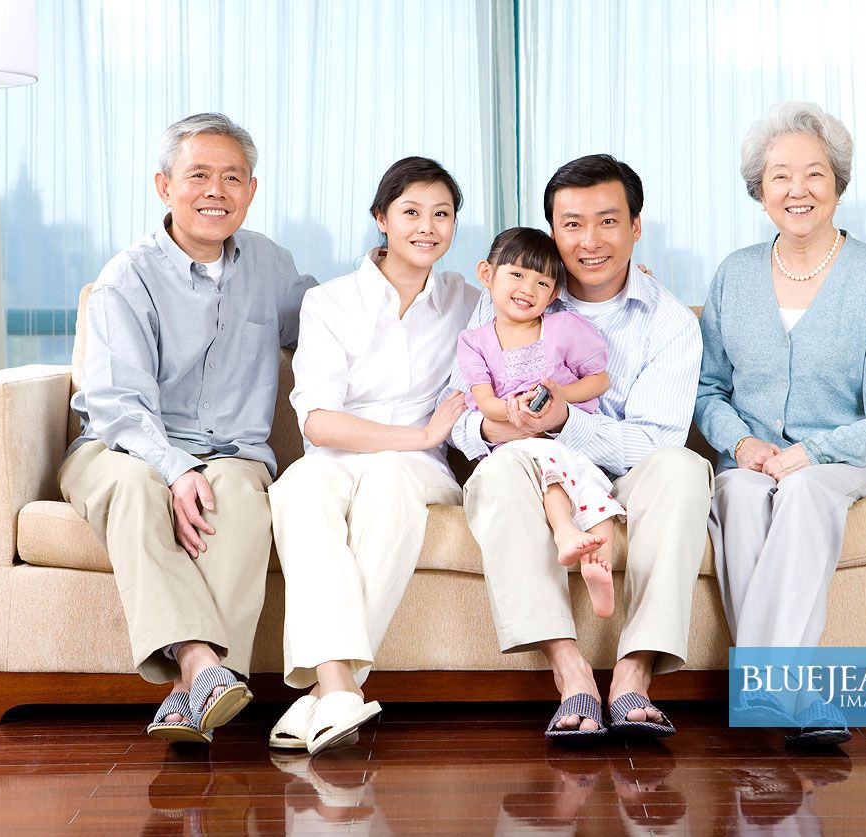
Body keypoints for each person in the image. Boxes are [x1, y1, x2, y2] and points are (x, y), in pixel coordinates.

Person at [60, 113, 315, 744]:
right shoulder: (129, 275)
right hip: (122, 447)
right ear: (163, 185)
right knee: (136, 490)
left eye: (232, 178)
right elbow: (116, 404)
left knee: (244, 503)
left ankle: (188, 695)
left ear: (251, 191)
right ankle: (205, 666)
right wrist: (176, 469)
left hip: (231, 451)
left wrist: (387, 271)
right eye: (198, 175)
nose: (215, 191)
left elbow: (326, 325)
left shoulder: (271, 264)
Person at [451, 154, 712, 740]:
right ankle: (570, 675)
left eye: (607, 221)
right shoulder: (514, 293)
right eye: (571, 223)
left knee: (685, 469)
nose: (589, 241)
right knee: (496, 474)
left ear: (636, 226)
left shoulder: (670, 322)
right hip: (532, 469)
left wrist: (565, 421)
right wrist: (504, 429)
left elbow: (659, 442)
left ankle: (633, 674)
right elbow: (461, 416)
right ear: (551, 230)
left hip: (627, 469)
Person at [695, 101, 866, 746]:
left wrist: (811, 452)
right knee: (735, 491)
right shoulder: (734, 276)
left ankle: (768, 687)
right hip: (752, 458)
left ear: (838, 186)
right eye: (781, 176)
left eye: (815, 174)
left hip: (848, 464)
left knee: (802, 488)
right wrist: (742, 442)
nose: (799, 190)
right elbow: (709, 390)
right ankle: (793, 694)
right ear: (760, 191)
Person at [267, 157, 479, 755]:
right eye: (411, 212)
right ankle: (337, 691)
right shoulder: (330, 303)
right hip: (342, 457)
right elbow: (319, 422)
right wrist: (417, 433)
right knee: (297, 487)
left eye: (442, 214)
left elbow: (537, 304)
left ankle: (329, 689)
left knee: (389, 477)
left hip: (419, 471)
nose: (427, 227)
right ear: (382, 218)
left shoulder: (467, 300)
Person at [456, 226, 622, 618]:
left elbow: (599, 380)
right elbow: (484, 402)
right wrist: (513, 411)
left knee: (597, 492)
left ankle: (599, 568)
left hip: (571, 440)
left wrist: (561, 398)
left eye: (542, 282)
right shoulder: (474, 341)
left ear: (554, 294)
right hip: (515, 449)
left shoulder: (563, 328)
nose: (527, 288)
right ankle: (565, 531)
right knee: (542, 460)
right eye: (516, 274)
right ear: (486, 274)